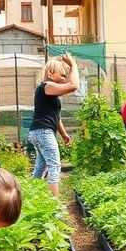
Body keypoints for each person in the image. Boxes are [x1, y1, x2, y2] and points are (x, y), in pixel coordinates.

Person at [28, 53, 77, 196]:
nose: (64, 79)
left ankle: (30, 196)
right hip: (43, 132)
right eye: (62, 75)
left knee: (40, 166)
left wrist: (64, 134)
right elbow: (74, 85)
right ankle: (54, 205)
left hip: (38, 132)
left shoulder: (48, 91)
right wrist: (73, 65)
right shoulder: (47, 87)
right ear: (50, 73)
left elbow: (56, 117)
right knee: (55, 165)